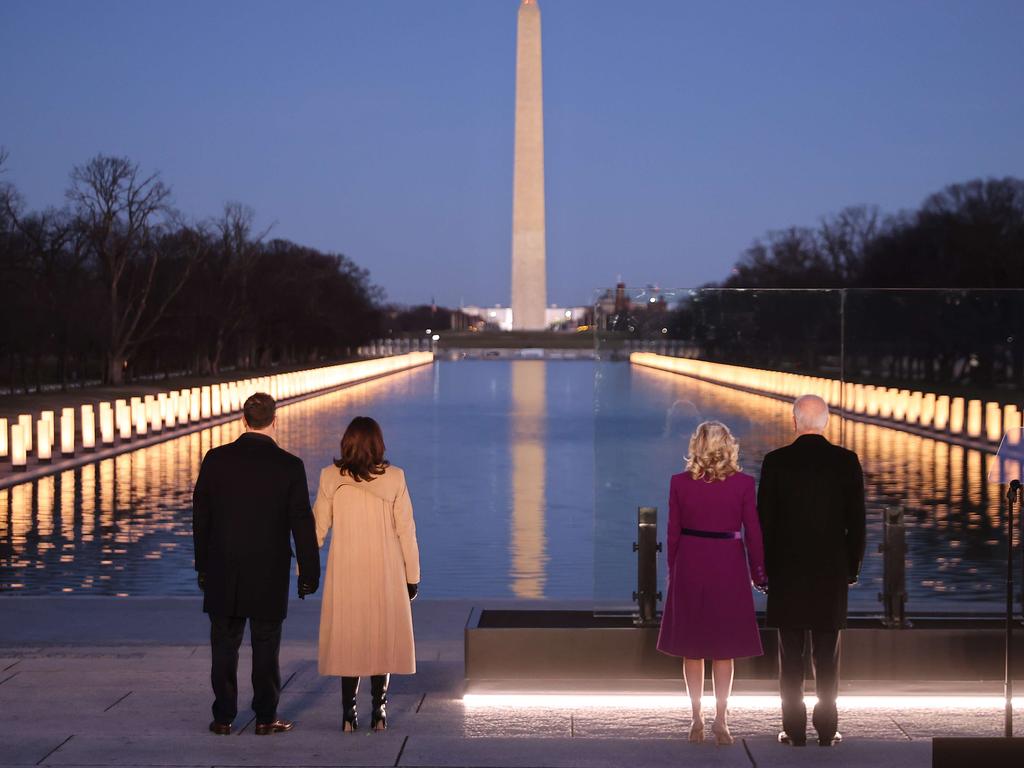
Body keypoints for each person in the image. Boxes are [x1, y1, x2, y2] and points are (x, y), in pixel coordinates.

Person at [192, 392, 320, 736]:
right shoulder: (290, 465)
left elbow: (201, 518)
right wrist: (309, 572)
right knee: (266, 645)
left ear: (243, 420)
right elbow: (301, 522)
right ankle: (265, 717)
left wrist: (202, 564)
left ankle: (223, 717)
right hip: (268, 569)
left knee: (224, 644)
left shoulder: (216, 460)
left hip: (223, 566)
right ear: (275, 421)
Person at [758, 394, 866, 748]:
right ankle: (827, 729)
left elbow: (765, 524)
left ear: (794, 422)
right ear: (827, 422)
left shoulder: (775, 462)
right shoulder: (846, 461)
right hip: (830, 572)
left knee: (790, 658)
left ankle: (793, 729)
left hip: (787, 574)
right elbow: (857, 523)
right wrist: (851, 568)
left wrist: (764, 571)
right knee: (827, 656)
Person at [657, 421, 766, 746]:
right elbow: (753, 533)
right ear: (728, 445)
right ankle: (722, 718)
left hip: (691, 561)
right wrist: (759, 573)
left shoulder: (679, 483)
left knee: (692, 649)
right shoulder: (744, 483)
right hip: (728, 564)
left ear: (697, 446)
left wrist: (672, 569)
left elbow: (672, 531)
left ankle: (696, 717)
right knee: (724, 649)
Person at [312, 416, 420, 732]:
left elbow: (317, 528)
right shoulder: (396, 478)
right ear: (378, 443)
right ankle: (380, 712)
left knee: (350, 639)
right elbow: (406, 533)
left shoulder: (330, 477)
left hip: (346, 570)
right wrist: (412, 576)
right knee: (381, 638)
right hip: (385, 570)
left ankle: (348, 714)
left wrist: (304, 569)